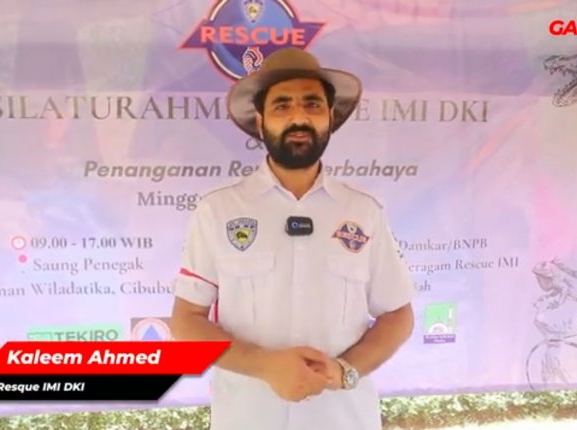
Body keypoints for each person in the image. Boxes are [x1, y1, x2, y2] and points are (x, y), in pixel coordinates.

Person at [170, 47, 418, 430]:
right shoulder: (218, 210)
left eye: (312, 104)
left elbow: (398, 315)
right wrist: (265, 366)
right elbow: (186, 322)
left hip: (343, 420)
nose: (299, 117)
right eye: (282, 105)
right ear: (260, 121)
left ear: (330, 118)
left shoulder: (364, 211)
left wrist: (346, 370)